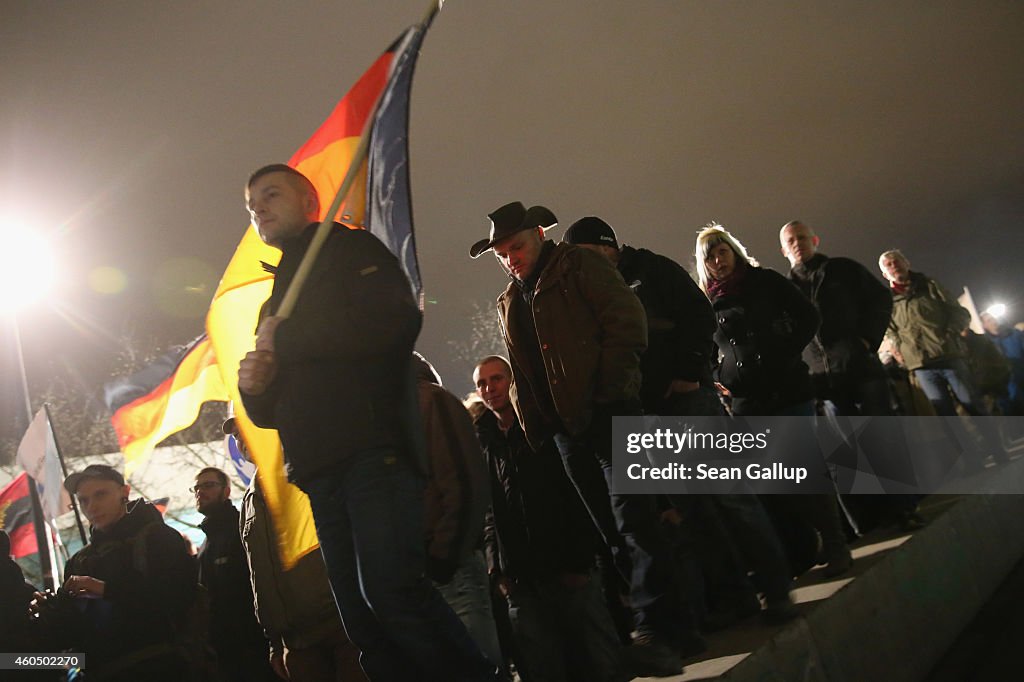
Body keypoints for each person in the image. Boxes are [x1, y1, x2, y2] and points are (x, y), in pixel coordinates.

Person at [238, 164, 494, 682]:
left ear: (310, 200)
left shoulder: (353, 253)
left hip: (372, 450)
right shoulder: (273, 302)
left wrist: (287, 342)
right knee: (360, 618)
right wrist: (255, 389)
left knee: (393, 591)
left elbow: (392, 323)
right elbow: (271, 412)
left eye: (270, 194)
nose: (258, 208)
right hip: (318, 469)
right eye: (251, 204)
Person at [470, 201, 689, 678]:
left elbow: (626, 320)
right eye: (502, 253)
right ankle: (665, 630)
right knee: (611, 535)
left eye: (517, 247)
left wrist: (610, 392)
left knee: (636, 521)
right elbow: (524, 373)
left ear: (540, 235)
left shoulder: (580, 264)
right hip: (567, 433)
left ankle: (657, 633)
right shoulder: (511, 300)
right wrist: (537, 428)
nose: (510, 258)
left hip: (611, 415)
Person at [696, 225, 851, 580]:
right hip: (748, 401)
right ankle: (802, 549)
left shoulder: (764, 281)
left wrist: (783, 351)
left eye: (722, 252)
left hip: (787, 389)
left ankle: (836, 543)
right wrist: (722, 376)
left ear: (734, 251)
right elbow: (704, 347)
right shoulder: (706, 301)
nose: (717, 261)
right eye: (710, 256)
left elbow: (808, 315)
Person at [473, 355, 629, 682]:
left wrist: (581, 556)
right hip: (520, 573)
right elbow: (490, 507)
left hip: (565, 560)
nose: (489, 389)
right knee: (544, 664)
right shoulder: (484, 440)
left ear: (512, 381)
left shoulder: (541, 426)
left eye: (496, 379)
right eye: (482, 383)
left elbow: (572, 490)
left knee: (597, 657)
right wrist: (496, 565)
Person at [226, 418, 366, 682]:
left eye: (245, 428)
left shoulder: (306, 470)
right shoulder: (248, 501)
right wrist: (276, 644)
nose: (240, 438)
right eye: (235, 435)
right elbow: (259, 574)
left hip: (341, 625)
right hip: (297, 642)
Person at [34, 464, 199, 681]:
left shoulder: (158, 538)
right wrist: (49, 612)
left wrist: (105, 589)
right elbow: (72, 636)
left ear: (125, 492)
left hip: (158, 667)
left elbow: (175, 600)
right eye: (83, 500)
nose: (91, 506)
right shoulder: (79, 560)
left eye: (100, 495)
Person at [561, 216, 719, 416]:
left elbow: (699, 315)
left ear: (606, 247)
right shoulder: (586, 291)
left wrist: (688, 374)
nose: (579, 263)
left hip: (683, 397)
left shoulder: (654, 269)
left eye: (583, 254)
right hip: (636, 405)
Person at [413, 353, 503, 669]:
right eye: (482, 383)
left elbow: (464, 485)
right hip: (427, 569)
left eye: (496, 379)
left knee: (477, 664)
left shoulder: (431, 403)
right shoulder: (395, 412)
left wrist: (443, 555)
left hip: (451, 567)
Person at [878, 249, 1007, 468]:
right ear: (884, 274)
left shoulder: (929, 285)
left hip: (949, 357)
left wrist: (948, 335)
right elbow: (891, 330)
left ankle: (998, 452)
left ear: (906, 262)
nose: (893, 266)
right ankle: (972, 461)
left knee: (972, 405)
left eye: (896, 261)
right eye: (888, 265)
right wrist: (899, 348)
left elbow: (960, 313)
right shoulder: (887, 300)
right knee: (946, 416)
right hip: (921, 366)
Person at [779, 221, 894, 416]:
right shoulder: (784, 290)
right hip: (824, 381)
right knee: (846, 443)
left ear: (815, 240)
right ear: (784, 250)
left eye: (802, 237)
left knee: (885, 439)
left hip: (864, 370)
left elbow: (880, 299)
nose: (797, 243)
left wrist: (867, 340)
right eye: (791, 240)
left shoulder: (844, 268)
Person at [193, 466, 277, 681]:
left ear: (227, 491)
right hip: (224, 650)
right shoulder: (205, 542)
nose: (201, 492)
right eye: (197, 488)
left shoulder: (242, 529)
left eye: (208, 485)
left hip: (255, 644)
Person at [982, 311, 1024, 416]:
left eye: (992, 318)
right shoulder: (986, 345)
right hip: (1005, 387)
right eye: (988, 320)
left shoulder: (1013, 333)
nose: (992, 321)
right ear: (984, 325)